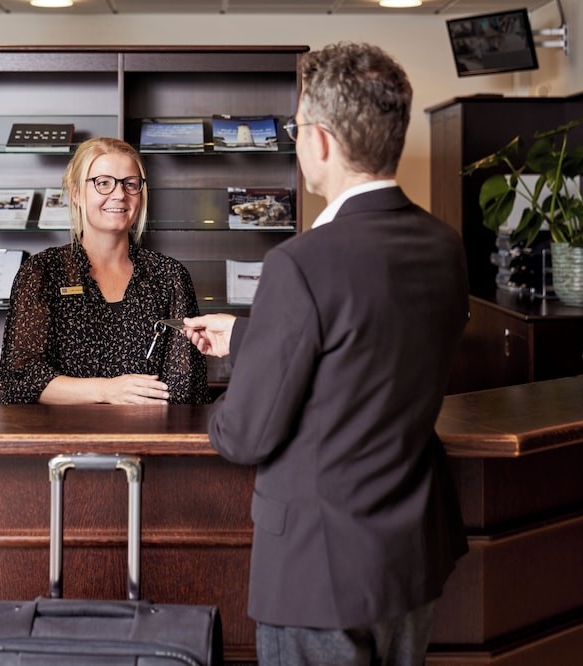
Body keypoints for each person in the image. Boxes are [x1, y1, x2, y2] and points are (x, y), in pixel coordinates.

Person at [183, 42, 469, 665]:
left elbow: (245, 435)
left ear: (318, 140)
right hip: (410, 560)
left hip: (319, 571)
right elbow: (366, 347)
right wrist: (251, 336)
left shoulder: (301, 262)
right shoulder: (443, 245)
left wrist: (222, 394)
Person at [0, 137, 209, 405]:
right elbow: (20, 379)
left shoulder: (170, 276)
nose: (119, 194)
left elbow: (187, 385)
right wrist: (107, 391)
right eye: (103, 183)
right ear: (76, 193)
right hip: (62, 430)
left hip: (149, 429)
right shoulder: (42, 272)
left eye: (130, 184)